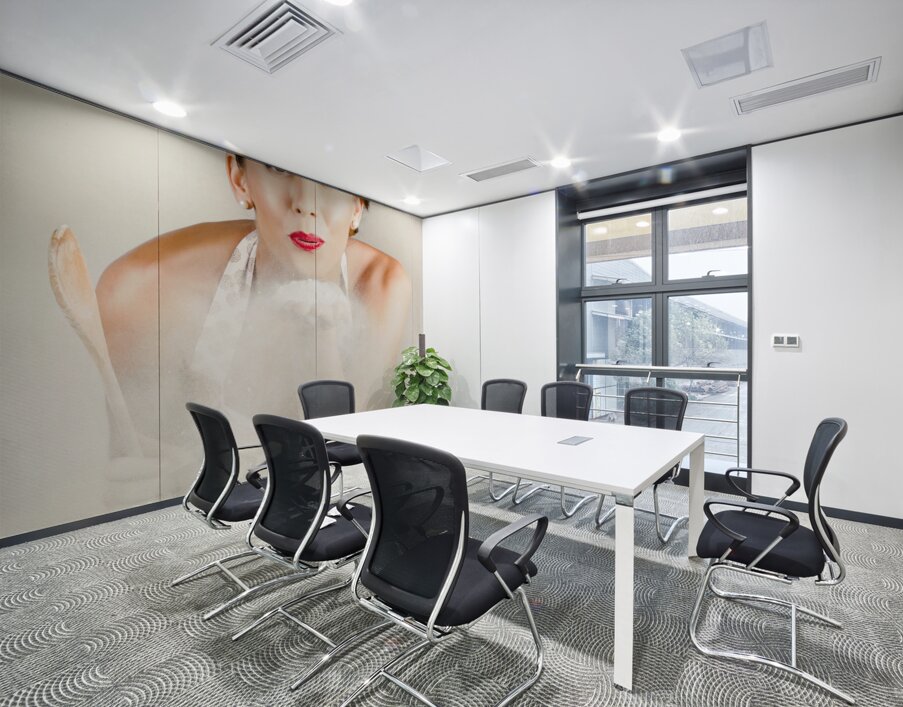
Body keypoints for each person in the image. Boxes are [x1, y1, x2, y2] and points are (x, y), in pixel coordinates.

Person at [86, 154, 411, 446]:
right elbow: (133, 448)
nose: (306, 204)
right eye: (278, 168)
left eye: (333, 180)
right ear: (241, 180)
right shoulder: (146, 286)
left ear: (357, 208)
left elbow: (346, 437)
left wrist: (322, 331)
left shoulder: (381, 283)